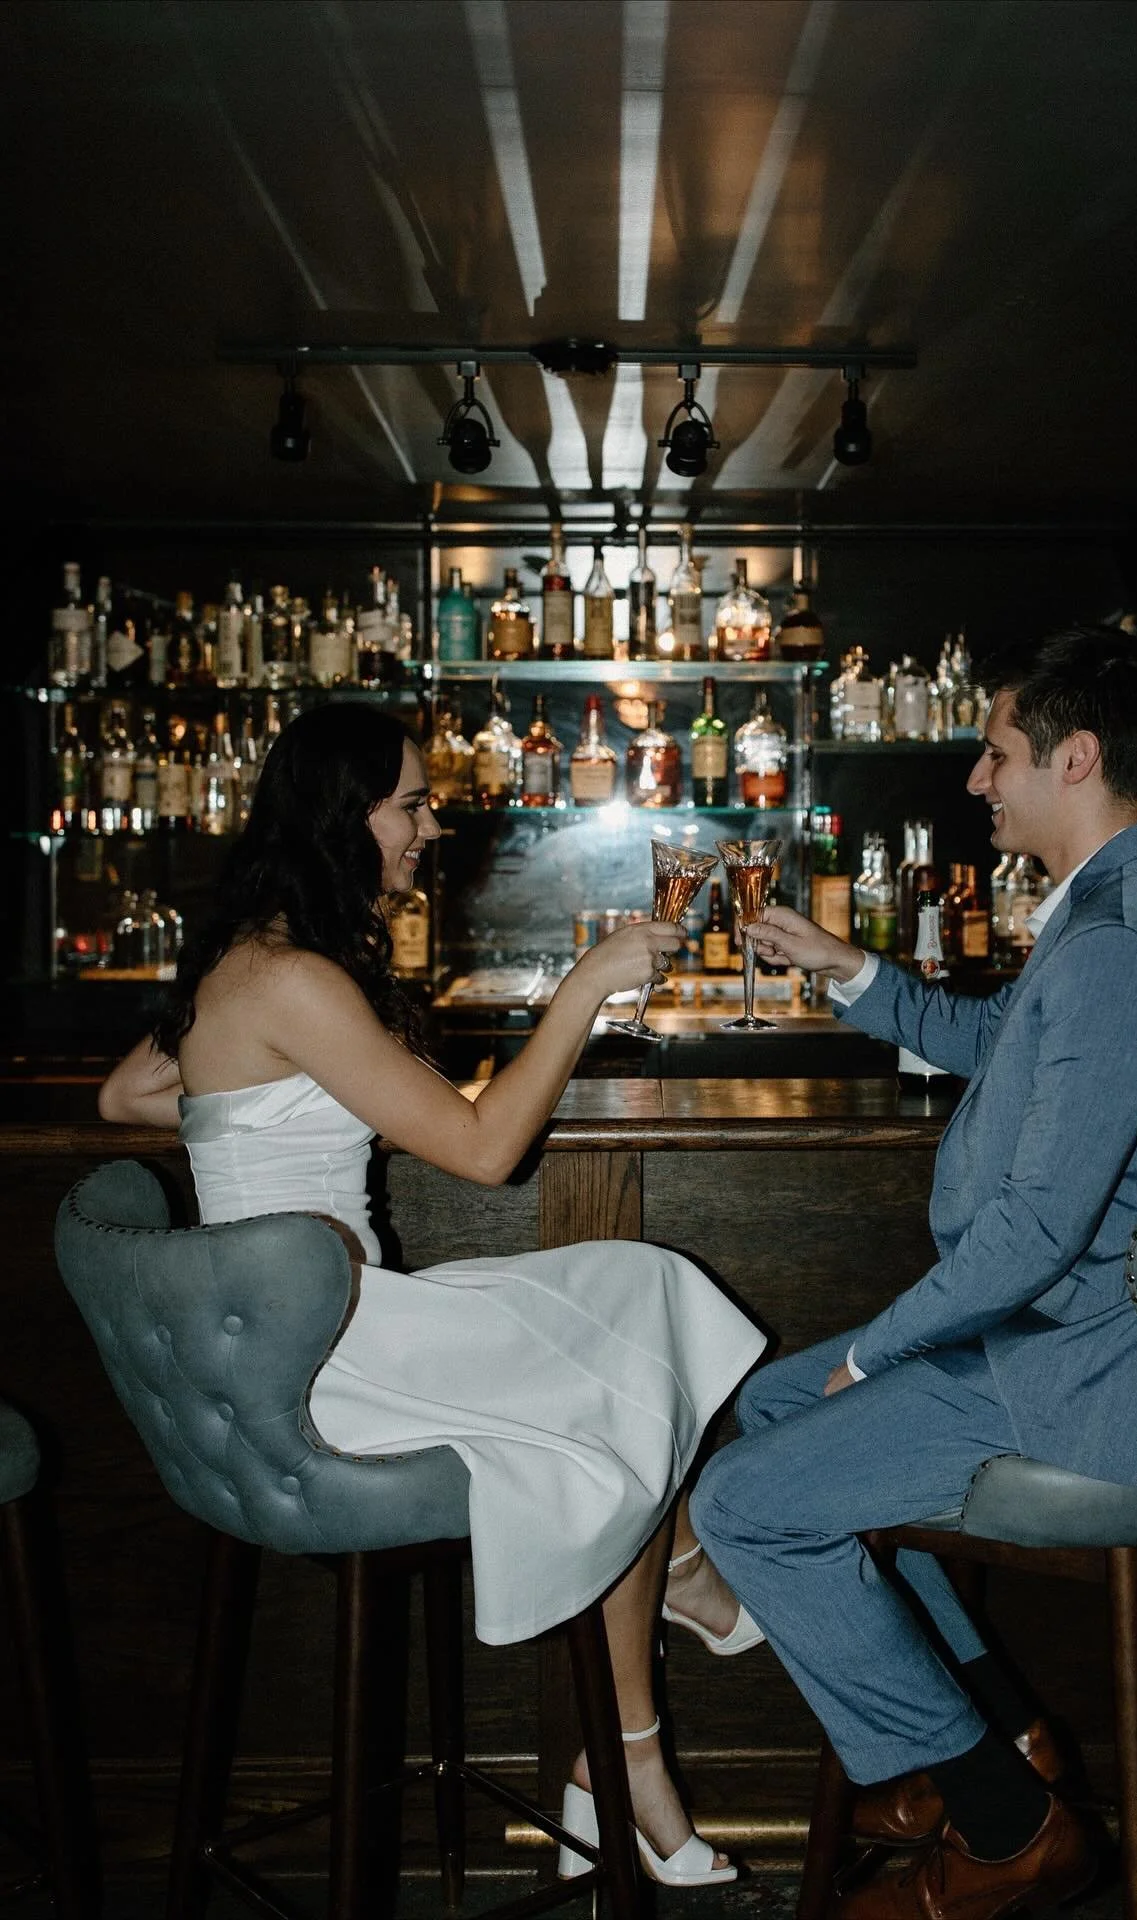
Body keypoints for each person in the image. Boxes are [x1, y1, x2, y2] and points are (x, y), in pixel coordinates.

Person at [98, 703, 766, 1888]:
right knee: (622, 1342)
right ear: (339, 817)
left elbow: (127, 1101)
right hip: (328, 1354)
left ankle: (645, 1695)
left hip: (319, 1327)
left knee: (631, 1294)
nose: (429, 825)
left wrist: (272, 1117)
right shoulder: (293, 978)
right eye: (410, 803)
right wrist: (586, 986)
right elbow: (484, 1151)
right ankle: (662, 1640)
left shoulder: (241, 961)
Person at [691, 624, 1137, 1920]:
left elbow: (1040, 1231)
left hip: (1078, 1356)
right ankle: (1000, 1735)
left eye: (998, 756)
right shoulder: (1123, 899)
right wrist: (851, 972)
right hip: (1060, 1325)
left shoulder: (1116, 940)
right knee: (771, 1401)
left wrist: (878, 1353)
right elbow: (998, 1035)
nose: (979, 780)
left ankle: (1004, 1826)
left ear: (1077, 756)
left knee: (742, 1503)